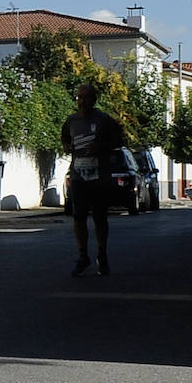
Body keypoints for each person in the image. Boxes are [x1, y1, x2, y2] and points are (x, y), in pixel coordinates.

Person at [61, 83, 123, 277]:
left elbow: (119, 141)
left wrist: (101, 147)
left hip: (99, 177)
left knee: (99, 217)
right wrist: (66, 146)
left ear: (94, 99)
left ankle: (102, 255)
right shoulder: (71, 121)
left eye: (86, 97)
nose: (82, 101)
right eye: (79, 97)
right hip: (79, 176)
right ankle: (83, 256)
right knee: (78, 217)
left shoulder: (104, 120)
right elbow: (64, 138)